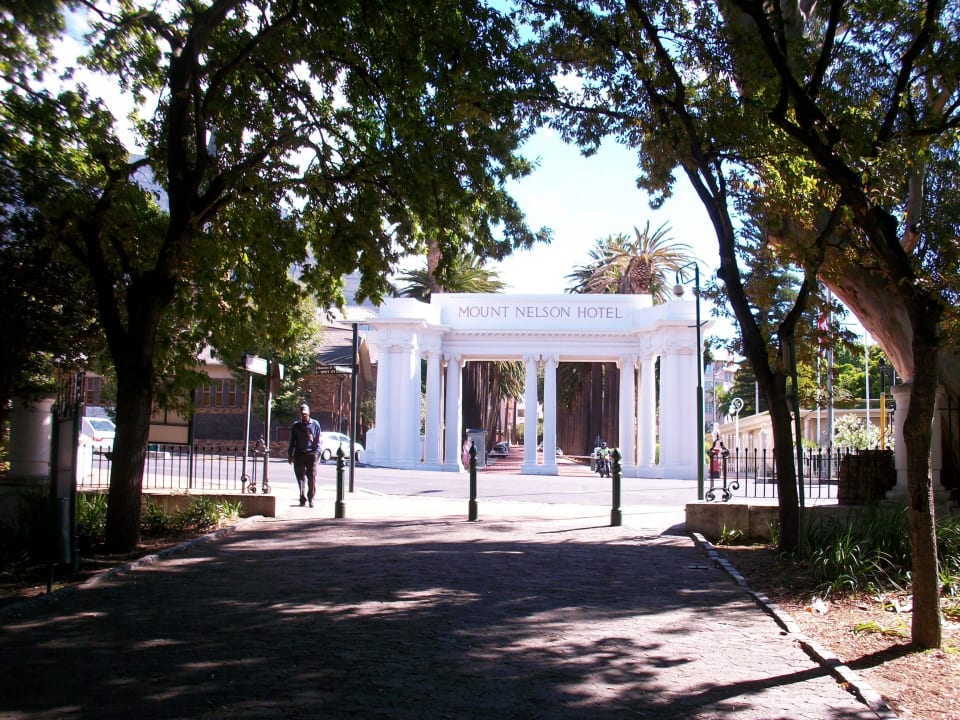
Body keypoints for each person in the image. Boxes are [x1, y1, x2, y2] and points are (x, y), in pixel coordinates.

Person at [288, 403, 321, 507]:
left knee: (312, 478)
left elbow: (318, 440)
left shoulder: (315, 424)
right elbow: (292, 441)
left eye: (306, 414)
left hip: (311, 454)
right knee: (300, 478)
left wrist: (317, 453)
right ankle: (302, 498)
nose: (304, 416)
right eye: (302, 414)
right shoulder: (296, 426)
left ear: (309, 413)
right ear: (300, 414)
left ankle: (311, 498)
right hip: (299, 454)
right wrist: (290, 455)